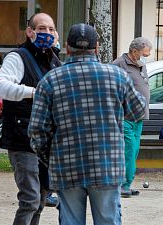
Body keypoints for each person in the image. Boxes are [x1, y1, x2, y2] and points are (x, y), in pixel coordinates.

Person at [28, 23, 146, 225]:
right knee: (108, 221)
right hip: (107, 166)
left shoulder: (50, 80)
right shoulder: (118, 76)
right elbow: (139, 110)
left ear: (67, 47)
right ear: (97, 47)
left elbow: (37, 132)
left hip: (67, 166)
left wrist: (52, 159)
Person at [0, 13, 61, 225]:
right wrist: (33, 92)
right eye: (41, 29)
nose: (46, 33)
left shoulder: (55, 61)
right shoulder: (18, 56)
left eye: (50, 29)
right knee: (30, 199)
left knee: (39, 200)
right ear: (30, 32)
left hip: (46, 141)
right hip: (23, 139)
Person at [111, 37, 152, 198]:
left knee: (134, 151)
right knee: (128, 150)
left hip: (139, 117)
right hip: (125, 116)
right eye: (143, 54)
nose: (144, 57)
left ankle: (127, 183)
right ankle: (122, 185)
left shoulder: (141, 65)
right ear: (134, 51)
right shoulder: (118, 64)